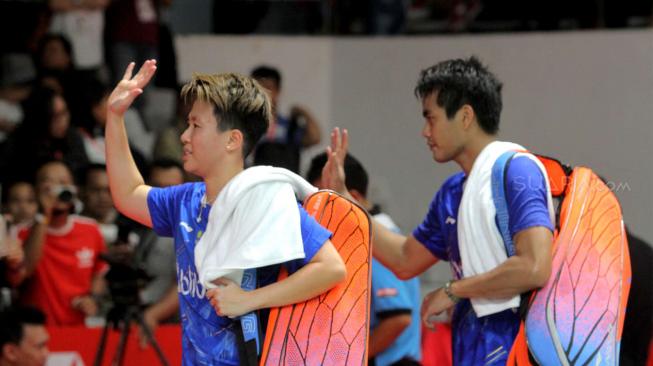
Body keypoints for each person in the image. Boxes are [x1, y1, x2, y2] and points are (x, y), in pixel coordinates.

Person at [105, 59, 346, 364]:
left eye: (196, 126)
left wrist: (247, 300)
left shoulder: (265, 200)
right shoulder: (185, 201)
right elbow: (127, 195)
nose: (184, 136)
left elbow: (331, 268)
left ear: (232, 140)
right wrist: (115, 117)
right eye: (187, 124)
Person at [323, 57, 554, 365]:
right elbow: (404, 259)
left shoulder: (519, 171)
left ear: (465, 116)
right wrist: (344, 201)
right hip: (472, 347)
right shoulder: (453, 191)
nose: (424, 131)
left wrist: (454, 290)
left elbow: (535, 266)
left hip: (518, 349)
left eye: (430, 118)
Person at [307, 153, 421, 366]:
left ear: (354, 198)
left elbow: (398, 318)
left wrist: (346, 359)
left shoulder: (371, 241)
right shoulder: (385, 234)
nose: (316, 212)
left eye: (325, 201)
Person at [18, 161, 107, 326]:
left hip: (78, 327)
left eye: (64, 182)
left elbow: (99, 271)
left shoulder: (90, 229)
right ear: (36, 191)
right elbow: (25, 269)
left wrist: (92, 297)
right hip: (37, 330)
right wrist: (44, 214)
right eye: (49, 183)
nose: (58, 188)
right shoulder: (22, 233)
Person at [250, 65, 321, 172]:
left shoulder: (289, 126)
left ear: (278, 91)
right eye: (258, 89)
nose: (263, 94)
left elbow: (315, 137)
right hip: (253, 183)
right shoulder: (245, 125)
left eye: (268, 88)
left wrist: (303, 112)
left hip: (288, 185)